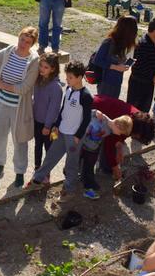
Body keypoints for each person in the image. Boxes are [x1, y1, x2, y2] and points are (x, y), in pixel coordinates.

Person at [0, 27, 40, 188]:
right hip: (1, 103)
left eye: (28, 42)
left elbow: (25, 88)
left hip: (19, 108)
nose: (23, 44)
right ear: (18, 37)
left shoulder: (34, 60)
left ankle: (19, 172)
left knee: (19, 141)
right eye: (22, 39)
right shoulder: (8, 51)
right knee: (0, 137)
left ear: (32, 44)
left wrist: (3, 85)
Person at [28, 61, 92, 195]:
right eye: (66, 77)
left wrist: (78, 136)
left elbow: (87, 119)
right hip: (61, 132)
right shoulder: (68, 90)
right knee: (50, 157)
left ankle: (69, 189)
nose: (67, 80)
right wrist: (56, 126)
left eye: (70, 78)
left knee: (71, 164)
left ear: (80, 77)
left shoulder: (85, 96)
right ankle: (37, 180)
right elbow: (63, 110)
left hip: (73, 137)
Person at [92, 94, 155, 180]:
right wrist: (115, 168)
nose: (136, 138)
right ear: (138, 131)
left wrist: (119, 149)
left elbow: (120, 137)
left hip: (101, 106)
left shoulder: (138, 120)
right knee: (89, 146)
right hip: (91, 108)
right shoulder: (125, 123)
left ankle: (106, 168)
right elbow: (109, 145)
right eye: (138, 137)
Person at [79, 111, 132, 200]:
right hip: (83, 146)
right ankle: (87, 189)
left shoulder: (111, 130)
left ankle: (89, 183)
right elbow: (89, 113)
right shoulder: (103, 119)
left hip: (94, 148)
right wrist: (96, 112)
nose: (120, 135)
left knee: (89, 166)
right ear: (118, 126)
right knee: (86, 167)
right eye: (121, 133)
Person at [32, 52, 63, 176]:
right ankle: (37, 167)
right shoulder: (38, 80)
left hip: (51, 126)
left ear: (53, 69)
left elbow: (54, 109)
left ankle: (47, 172)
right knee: (37, 145)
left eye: (46, 67)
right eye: (41, 66)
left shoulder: (56, 87)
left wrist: (47, 126)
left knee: (50, 148)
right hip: (37, 121)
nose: (42, 69)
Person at [93, 16, 138, 98]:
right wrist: (115, 67)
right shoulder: (109, 42)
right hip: (105, 83)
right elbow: (97, 60)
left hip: (116, 82)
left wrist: (125, 65)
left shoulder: (123, 43)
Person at [127, 18, 155, 113]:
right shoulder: (142, 44)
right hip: (138, 83)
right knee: (133, 112)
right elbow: (140, 66)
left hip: (149, 84)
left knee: (144, 112)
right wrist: (154, 75)